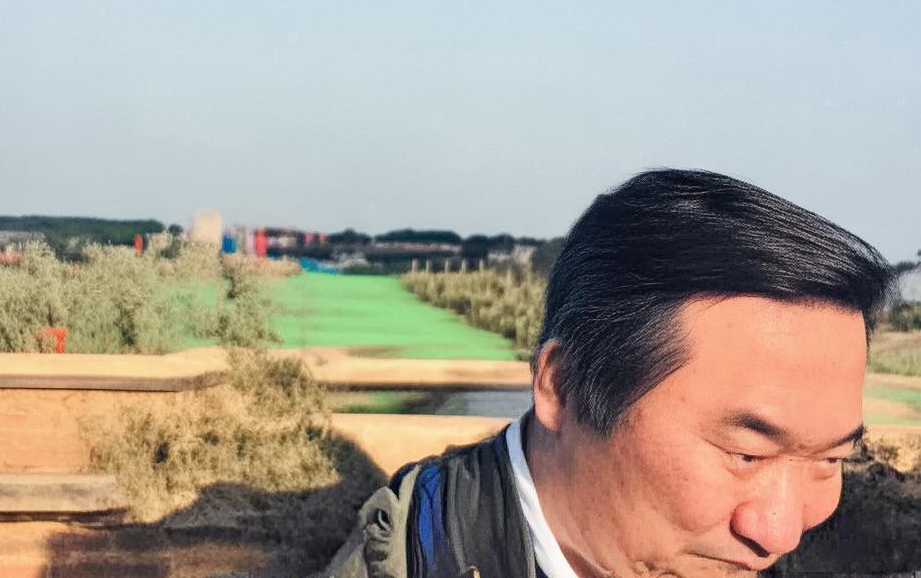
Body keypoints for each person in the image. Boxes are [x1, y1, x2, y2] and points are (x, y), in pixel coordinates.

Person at [320, 168, 895, 578]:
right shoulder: (421, 550)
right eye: (746, 455)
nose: (781, 534)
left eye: (829, 460)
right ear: (564, 387)